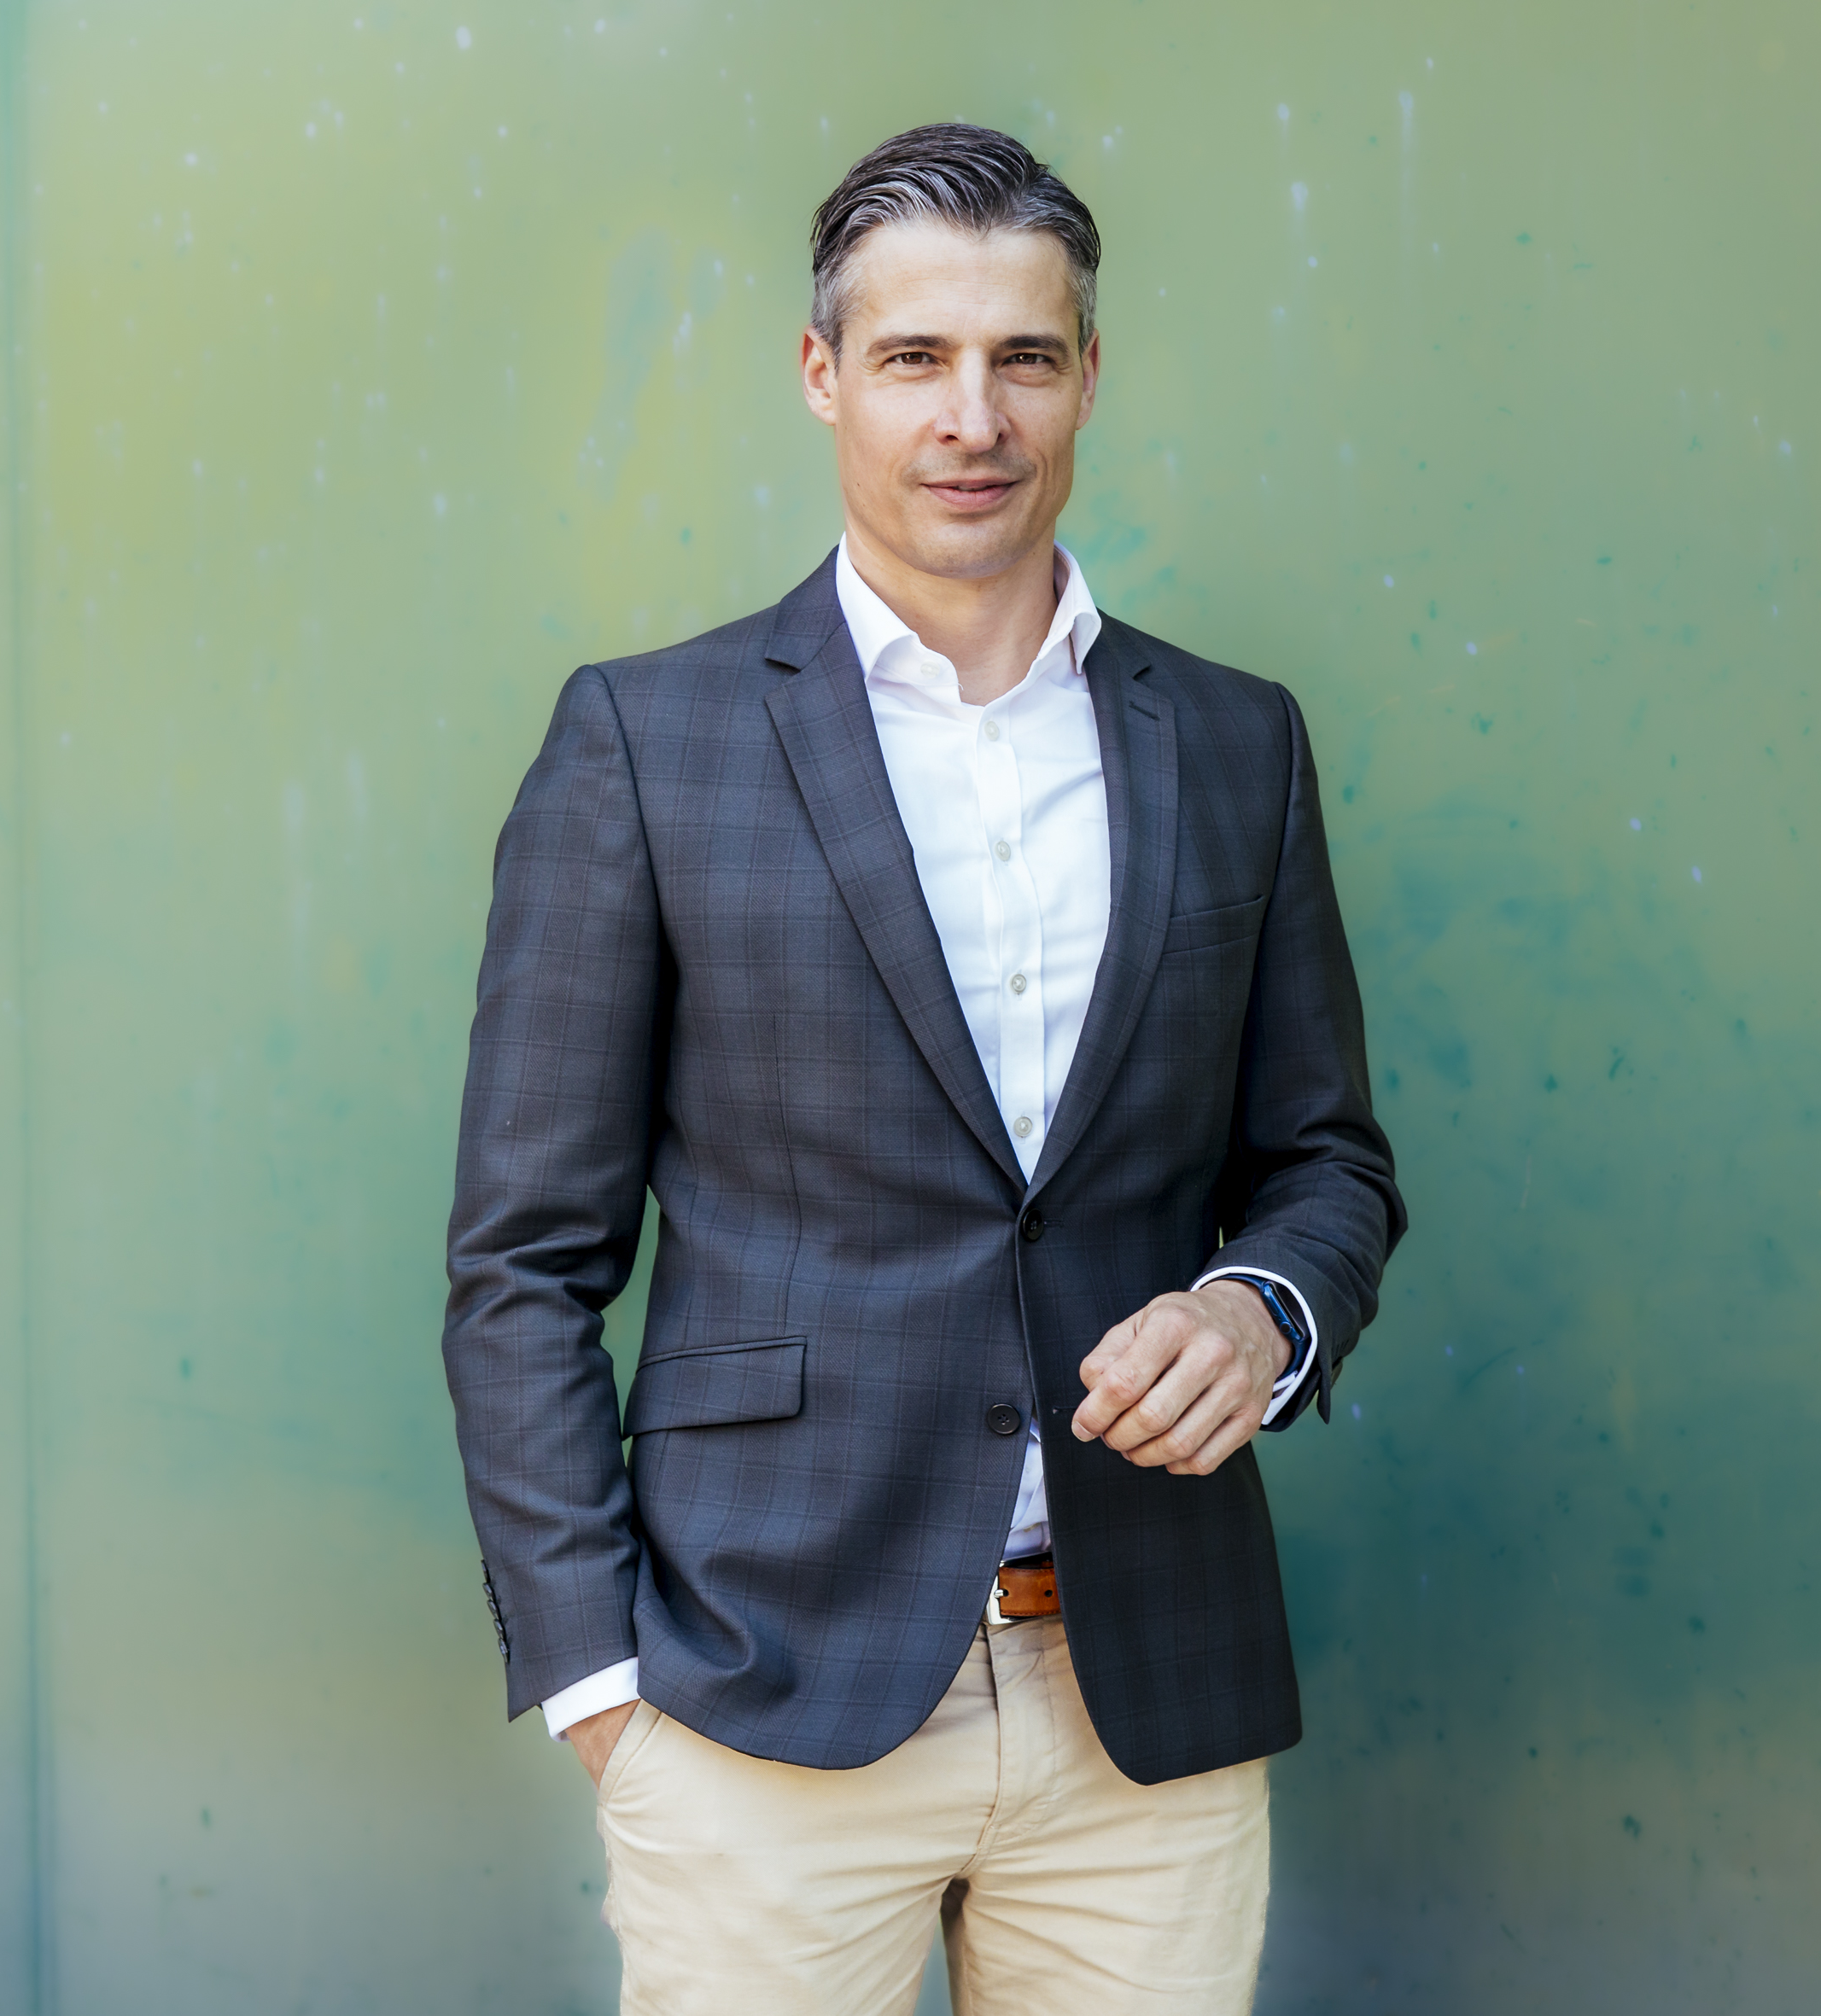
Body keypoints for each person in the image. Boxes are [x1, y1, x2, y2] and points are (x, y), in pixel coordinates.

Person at [442, 121, 1402, 2014]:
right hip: (757, 1702)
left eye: (1023, 356)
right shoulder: (645, 741)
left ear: (1088, 375)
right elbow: (523, 1261)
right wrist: (601, 1695)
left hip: (1147, 1706)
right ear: (822, 375)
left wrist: (1263, 1309)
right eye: (914, 358)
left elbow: (1326, 1161)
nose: (974, 416)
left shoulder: (1234, 741)